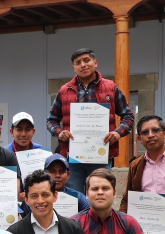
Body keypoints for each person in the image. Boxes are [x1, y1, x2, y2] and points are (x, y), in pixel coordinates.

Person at [46, 48, 134, 193]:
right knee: (74, 199)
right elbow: (51, 120)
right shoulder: (64, 90)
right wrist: (60, 132)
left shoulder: (111, 88)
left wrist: (118, 133)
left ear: (95, 62)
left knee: (100, 197)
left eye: (87, 60)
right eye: (78, 62)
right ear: (73, 68)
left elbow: (128, 116)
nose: (83, 65)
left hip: (102, 155)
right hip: (74, 158)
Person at [22, 153, 90, 215]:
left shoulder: (78, 197)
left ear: (68, 175)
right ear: (45, 173)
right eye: (52, 171)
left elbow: (90, 215)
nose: (57, 175)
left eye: (62, 171)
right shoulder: (32, 198)